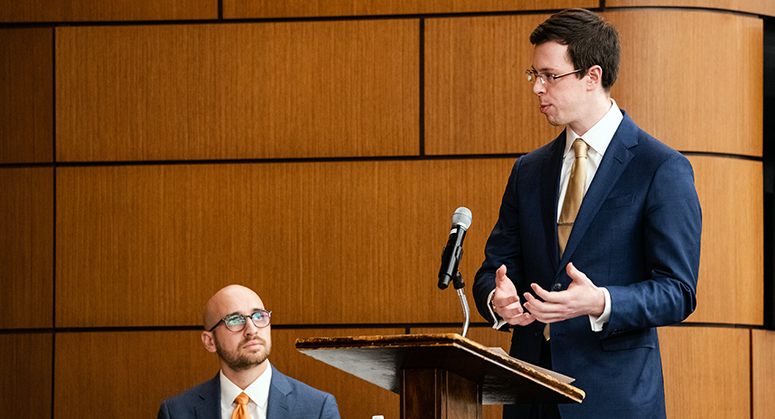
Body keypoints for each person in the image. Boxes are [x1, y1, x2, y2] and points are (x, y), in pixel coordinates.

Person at [472, 8, 701, 419]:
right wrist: (497, 297)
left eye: (550, 76)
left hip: (613, 398)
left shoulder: (660, 167)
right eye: (534, 75)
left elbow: (677, 291)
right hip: (529, 393)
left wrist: (599, 301)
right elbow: (495, 268)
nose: (538, 88)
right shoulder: (529, 170)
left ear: (592, 76)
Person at [157, 284, 341, 419]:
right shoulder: (176, 412)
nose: (252, 329)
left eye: (259, 316)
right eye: (235, 320)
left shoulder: (318, 408)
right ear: (210, 341)